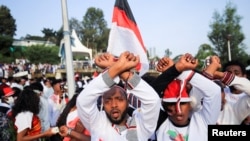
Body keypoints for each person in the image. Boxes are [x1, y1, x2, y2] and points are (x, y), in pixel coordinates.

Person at [77, 51, 161, 141]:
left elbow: (153, 101)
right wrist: (117, 67)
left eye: (119, 99)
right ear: (103, 104)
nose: (114, 105)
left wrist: (117, 68)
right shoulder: (97, 123)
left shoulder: (140, 125)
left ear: (127, 102)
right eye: (108, 101)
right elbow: (83, 101)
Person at [151, 53, 221, 141]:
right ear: (164, 106)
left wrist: (178, 70)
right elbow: (150, 95)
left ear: (190, 104)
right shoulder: (160, 122)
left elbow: (214, 91)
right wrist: (175, 70)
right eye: (171, 103)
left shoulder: (202, 121)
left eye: (183, 103)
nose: (178, 110)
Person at [202, 56, 250, 125]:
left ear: (244, 76)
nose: (233, 76)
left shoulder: (246, 98)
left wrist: (218, 74)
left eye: (236, 73)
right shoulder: (220, 90)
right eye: (229, 73)